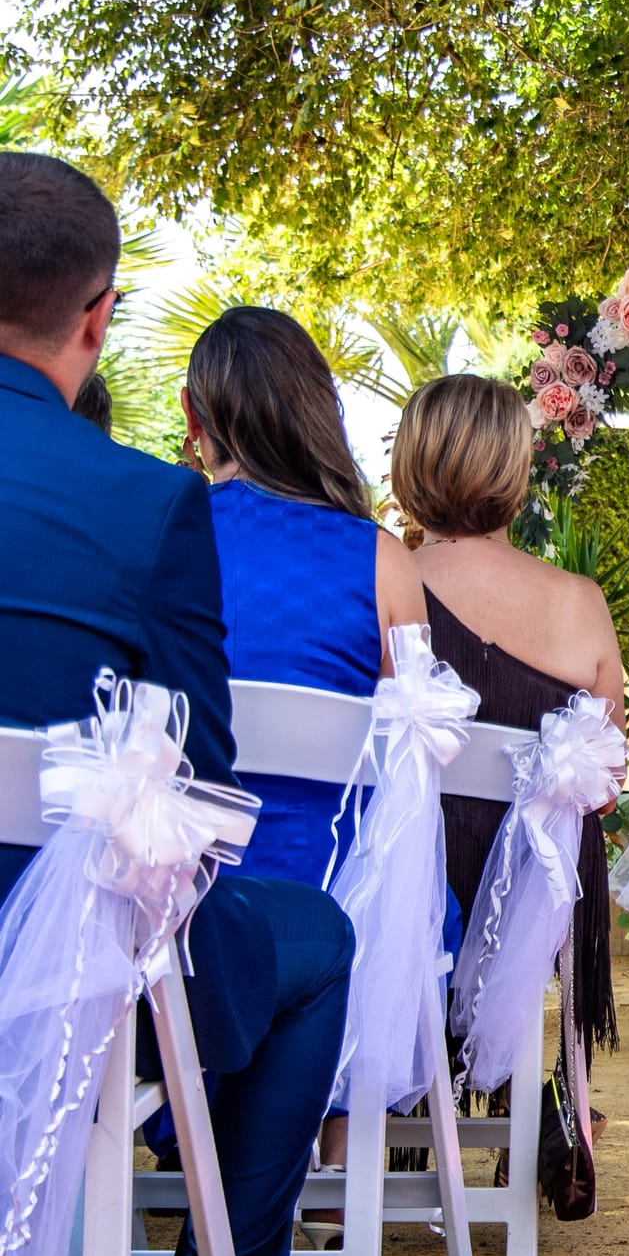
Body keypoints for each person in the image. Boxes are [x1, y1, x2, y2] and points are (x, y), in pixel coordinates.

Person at [0, 154, 351, 1256]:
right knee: (314, 939)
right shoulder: (144, 502)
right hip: (72, 973)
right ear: (97, 315)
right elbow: (198, 781)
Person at [389, 374, 623, 1085]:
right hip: (535, 894)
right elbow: (605, 784)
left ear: (408, 464)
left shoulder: (380, 584)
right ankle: (538, 1089)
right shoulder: (577, 601)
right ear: (515, 473)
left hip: (410, 877)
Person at [182, 305, 427, 886]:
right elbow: (413, 759)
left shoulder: (152, 536)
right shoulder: (383, 561)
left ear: (192, 415)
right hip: (336, 897)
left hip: (172, 898)